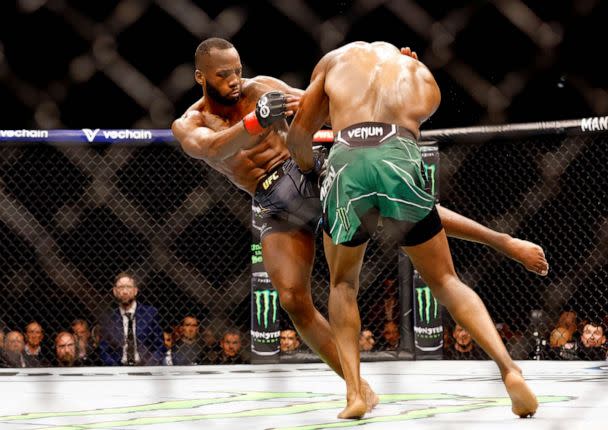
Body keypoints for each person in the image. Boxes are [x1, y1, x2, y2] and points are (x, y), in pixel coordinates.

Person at [172, 37, 547, 412]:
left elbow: (331, 102)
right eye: (224, 75)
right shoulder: (189, 123)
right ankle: (359, 388)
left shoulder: (263, 88)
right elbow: (214, 147)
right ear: (200, 77)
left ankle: (502, 241)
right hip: (272, 201)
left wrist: (390, 79)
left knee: (386, 226)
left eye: (237, 70)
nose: (235, 80)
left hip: (305, 169)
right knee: (292, 299)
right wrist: (257, 121)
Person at [286, 41, 539, 419]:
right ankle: (509, 369)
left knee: (343, 284)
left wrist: (313, 169)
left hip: (346, 158)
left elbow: (296, 137)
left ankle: (355, 393)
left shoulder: (333, 61)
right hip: (398, 152)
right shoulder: (415, 72)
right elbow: (414, 115)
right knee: (446, 280)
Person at [98, 272, 164, 366]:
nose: (125, 291)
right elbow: (103, 349)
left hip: (146, 367)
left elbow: (159, 345)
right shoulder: (108, 318)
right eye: (121, 287)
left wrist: (150, 364)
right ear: (114, 291)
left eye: (128, 287)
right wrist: (115, 369)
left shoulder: (150, 313)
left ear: (135, 291)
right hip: (118, 368)